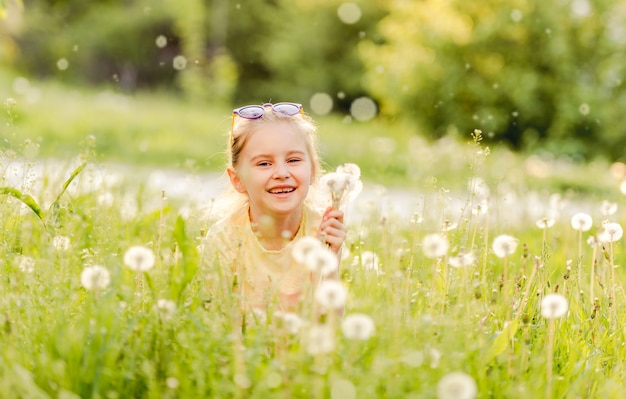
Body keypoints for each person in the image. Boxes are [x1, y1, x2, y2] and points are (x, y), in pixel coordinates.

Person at [201, 102, 346, 315]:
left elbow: (332, 325)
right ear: (237, 179)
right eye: (264, 164)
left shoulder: (323, 231)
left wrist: (332, 260)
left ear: (313, 169)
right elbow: (214, 322)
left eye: (293, 160)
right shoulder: (224, 239)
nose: (281, 172)